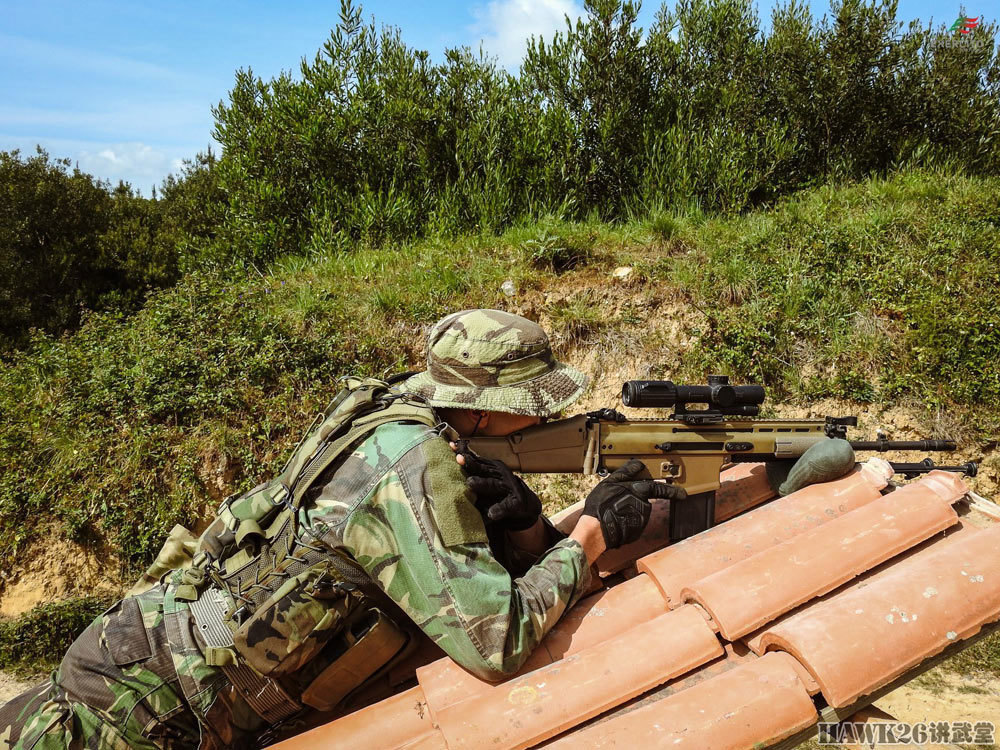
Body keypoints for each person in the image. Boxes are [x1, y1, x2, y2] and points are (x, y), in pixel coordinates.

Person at [0, 309, 678, 750]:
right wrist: (588, 535)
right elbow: (496, 643)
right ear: (479, 412)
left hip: (137, 652)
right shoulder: (414, 464)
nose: (539, 421)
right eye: (530, 408)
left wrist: (528, 525)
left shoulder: (390, 412)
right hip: (133, 714)